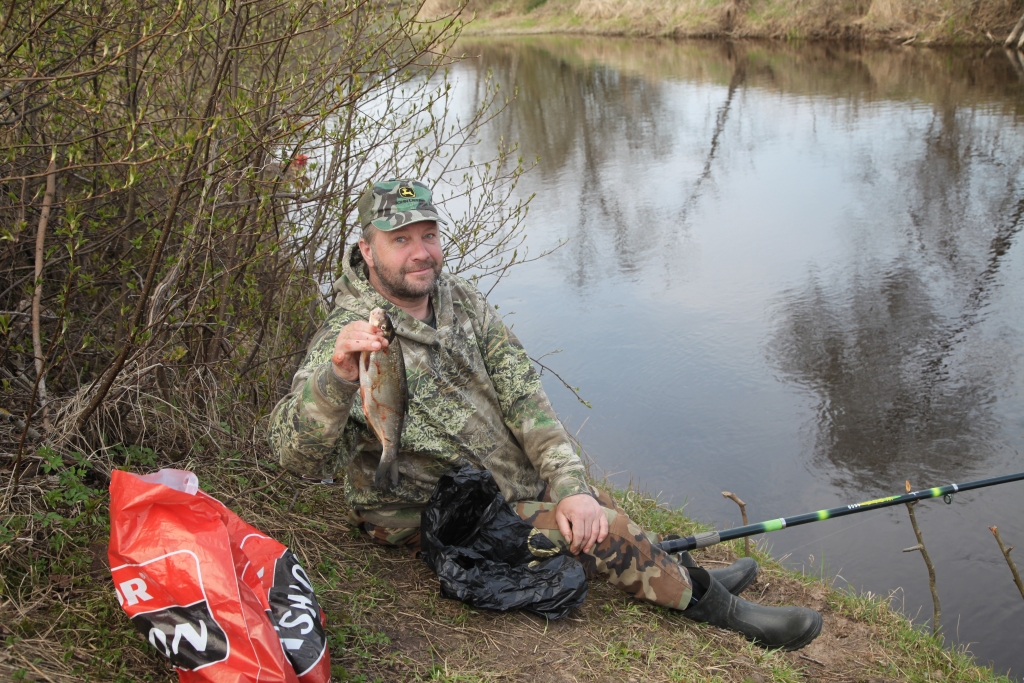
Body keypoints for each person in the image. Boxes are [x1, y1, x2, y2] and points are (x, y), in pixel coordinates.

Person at [267, 178, 822, 650]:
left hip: (499, 484)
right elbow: (294, 456)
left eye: (429, 235)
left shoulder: (461, 298)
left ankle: (676, 572)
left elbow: (523, 398)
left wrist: (569, 484)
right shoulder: (349, 338)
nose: (421, 252)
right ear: (367, 250)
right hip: (428, 512)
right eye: (401, 240)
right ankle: (717, 608)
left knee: (590, 504)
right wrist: (337, 377)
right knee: (602, 534)